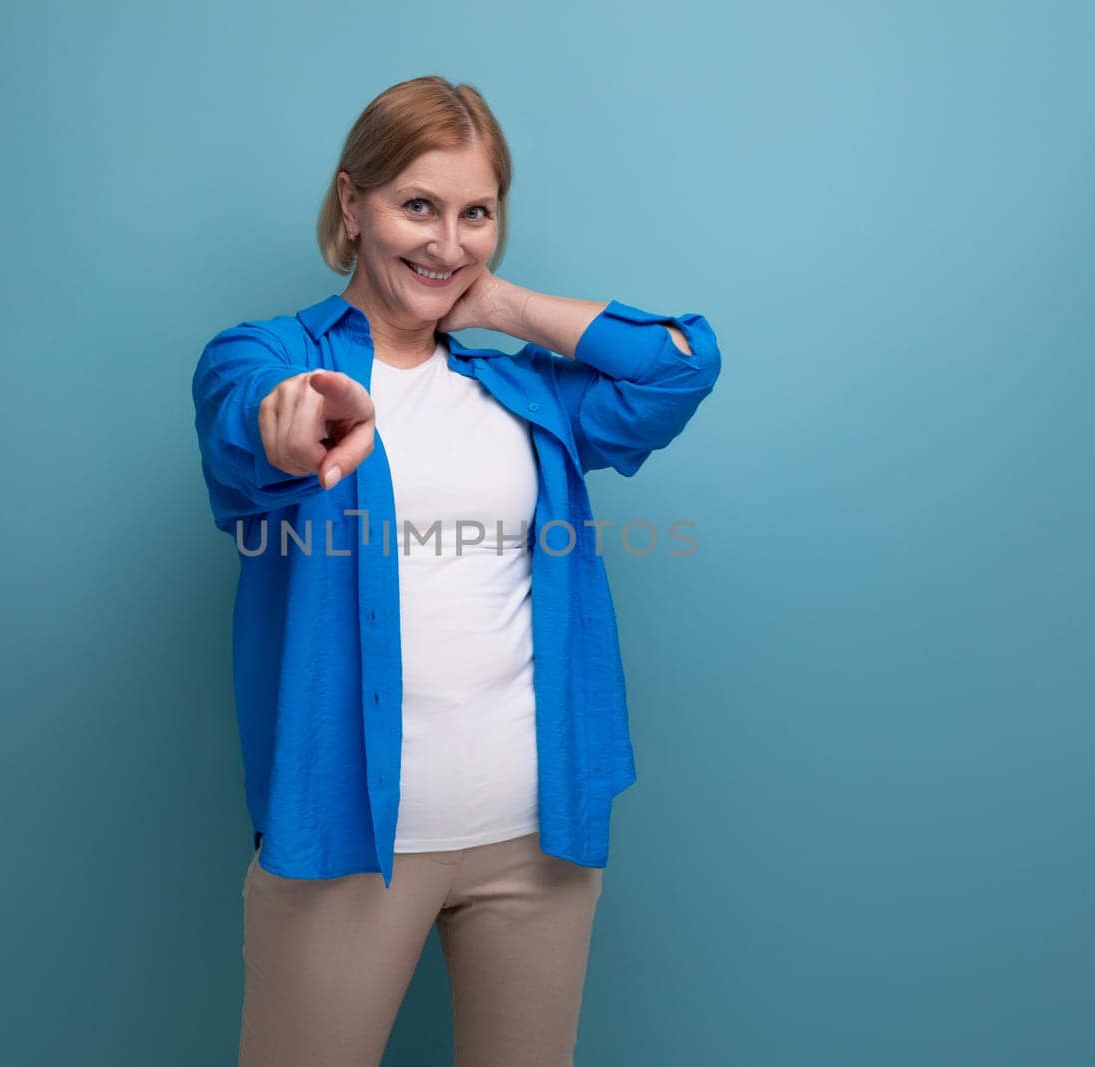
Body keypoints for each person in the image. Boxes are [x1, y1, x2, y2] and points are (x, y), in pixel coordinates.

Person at [191, 74, 722, 1067]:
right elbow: (249, 426)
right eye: (416, 206)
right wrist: (299, 432)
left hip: (536, 836)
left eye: (475, 212)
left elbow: (678, 364)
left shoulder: (520, 389)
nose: (445, 241)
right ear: (352, 204)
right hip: (347, 840)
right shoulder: (271, 355)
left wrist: (503, 304)